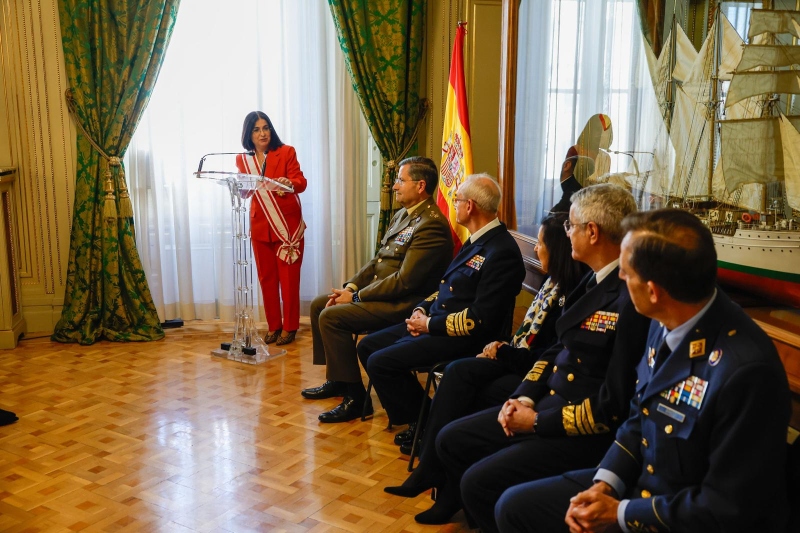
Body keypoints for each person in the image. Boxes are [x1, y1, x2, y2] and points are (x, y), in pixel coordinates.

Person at [495, 209, 791, 533]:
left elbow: (724, 507)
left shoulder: (746, 370)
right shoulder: (664, 317)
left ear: (653, 291)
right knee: (514, 507)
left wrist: (619, 512)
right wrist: (605, 483)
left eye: (625, 273)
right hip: (636, 486)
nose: (620, 279)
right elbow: (639, 415)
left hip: (678, 516)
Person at [398, 183, 650, 529]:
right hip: (546, 401)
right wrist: (524, 397)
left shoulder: (627, 297)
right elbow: (555, 351)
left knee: (480, 482)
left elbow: (614, 403)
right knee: (452, 438)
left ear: (592, 232)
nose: (566, 233)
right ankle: (449, 491)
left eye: (570, 226)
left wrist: (534, 421)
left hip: (578, 428)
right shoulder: (592, 281)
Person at [386, 211, 587, 461]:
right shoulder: (550, 284)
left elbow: (544, 352)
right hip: (467, 334)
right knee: (449, 373)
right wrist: (422, 312)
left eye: (540, 243)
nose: (535, 249)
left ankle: (434, 448)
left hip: (517, 364)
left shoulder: (565, 290)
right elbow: (444, 287)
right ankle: (431, 445)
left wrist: (499, 350)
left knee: (456, 377)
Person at [356, 174, 526, 431]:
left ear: (470, 206)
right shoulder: (476, 239)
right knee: (368, 346)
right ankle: (421, 416)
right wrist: (421, 309)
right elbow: (446, 287)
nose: (453, 204)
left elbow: (480, 318)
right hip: (434, 321)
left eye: (456, 200)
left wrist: (430, 325)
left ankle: (424, 424)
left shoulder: (501, 251)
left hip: (461, 337)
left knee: (381, 362)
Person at [303, 156, 453, 423]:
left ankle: (357, 399)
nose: (394, 186)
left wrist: (357, 296)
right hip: (382, 295)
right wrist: (351, 285)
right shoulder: (401, 216)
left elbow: (405, 281)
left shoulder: (431, 224)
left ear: (420, 186)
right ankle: (338, 379)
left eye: (400, 180)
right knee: (319, 304)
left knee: (331, 316)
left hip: (404, 304)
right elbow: (378, 261)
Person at [236, 111, 307, 346]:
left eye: (265, 127)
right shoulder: (243, 160)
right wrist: (237, 188)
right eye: (256, 129)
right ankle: (274, 325)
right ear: (249, 134)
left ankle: (290, 327)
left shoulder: (286, 152)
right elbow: (245, 191)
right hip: (260, 226)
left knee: (288, 280)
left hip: (286, 226)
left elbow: (301, 182)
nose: (262, 133)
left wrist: (290, 183)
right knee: (267, 279)